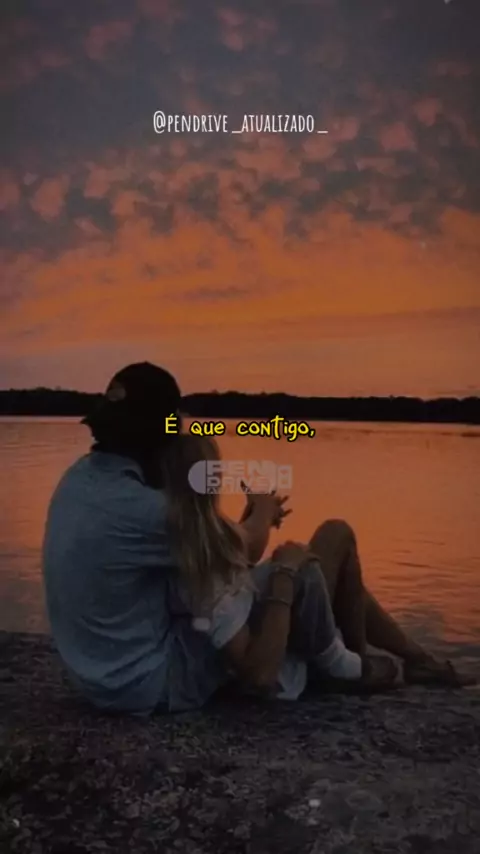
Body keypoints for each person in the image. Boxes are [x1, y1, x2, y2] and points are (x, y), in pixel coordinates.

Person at [160, 434, 473, 700]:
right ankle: (355, 667)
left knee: (334, 549)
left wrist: (257, 516)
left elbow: (234, 564)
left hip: (260, 615)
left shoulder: (181, 531)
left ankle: (408, 659)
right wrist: (284, 575)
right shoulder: (196, 558)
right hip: (275, 647)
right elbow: (257, 673)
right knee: (334, 538)